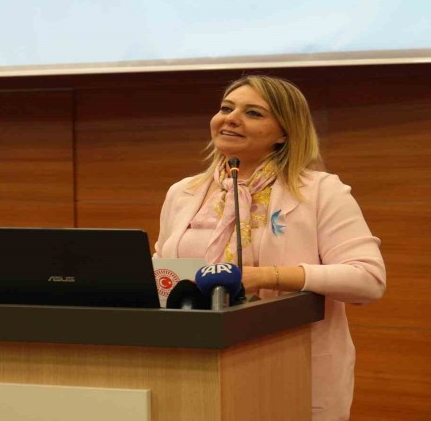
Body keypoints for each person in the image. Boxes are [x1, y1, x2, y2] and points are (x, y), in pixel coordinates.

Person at [153, 75, 386, 420]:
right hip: (195, 366)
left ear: (284, 133)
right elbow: (162, 272)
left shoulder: (320, 191)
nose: (231, 118)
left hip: (288, 365)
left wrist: (265, 276)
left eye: (253, 113)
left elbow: (367, 279)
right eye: (226, 108)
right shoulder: (183, 193)